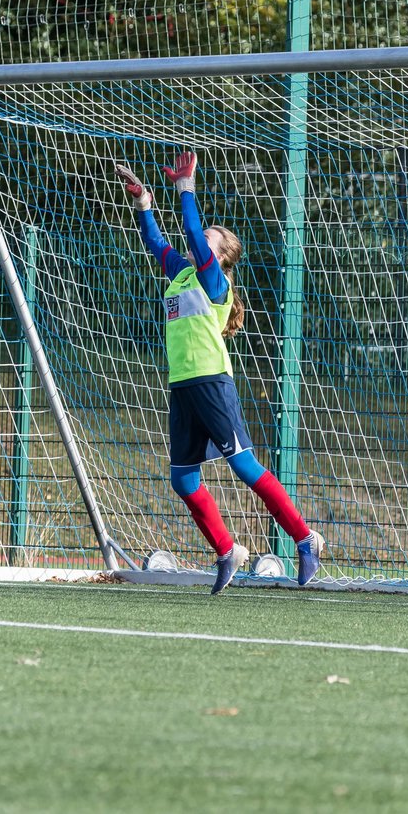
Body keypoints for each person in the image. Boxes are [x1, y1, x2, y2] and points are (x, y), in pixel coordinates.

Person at [114, 151, 325, 594]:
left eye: (209, 239)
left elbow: (191, 231)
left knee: (245, 468)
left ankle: (305, 539)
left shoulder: (216, 282)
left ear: (222, 256)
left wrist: (185, 188)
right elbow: (158, 244)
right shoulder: (181, 274)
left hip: (212, 380)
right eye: (204, 236)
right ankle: (228, 551)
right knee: (183, 479)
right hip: (183, 384)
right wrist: (145, 204)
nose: (199, 240)